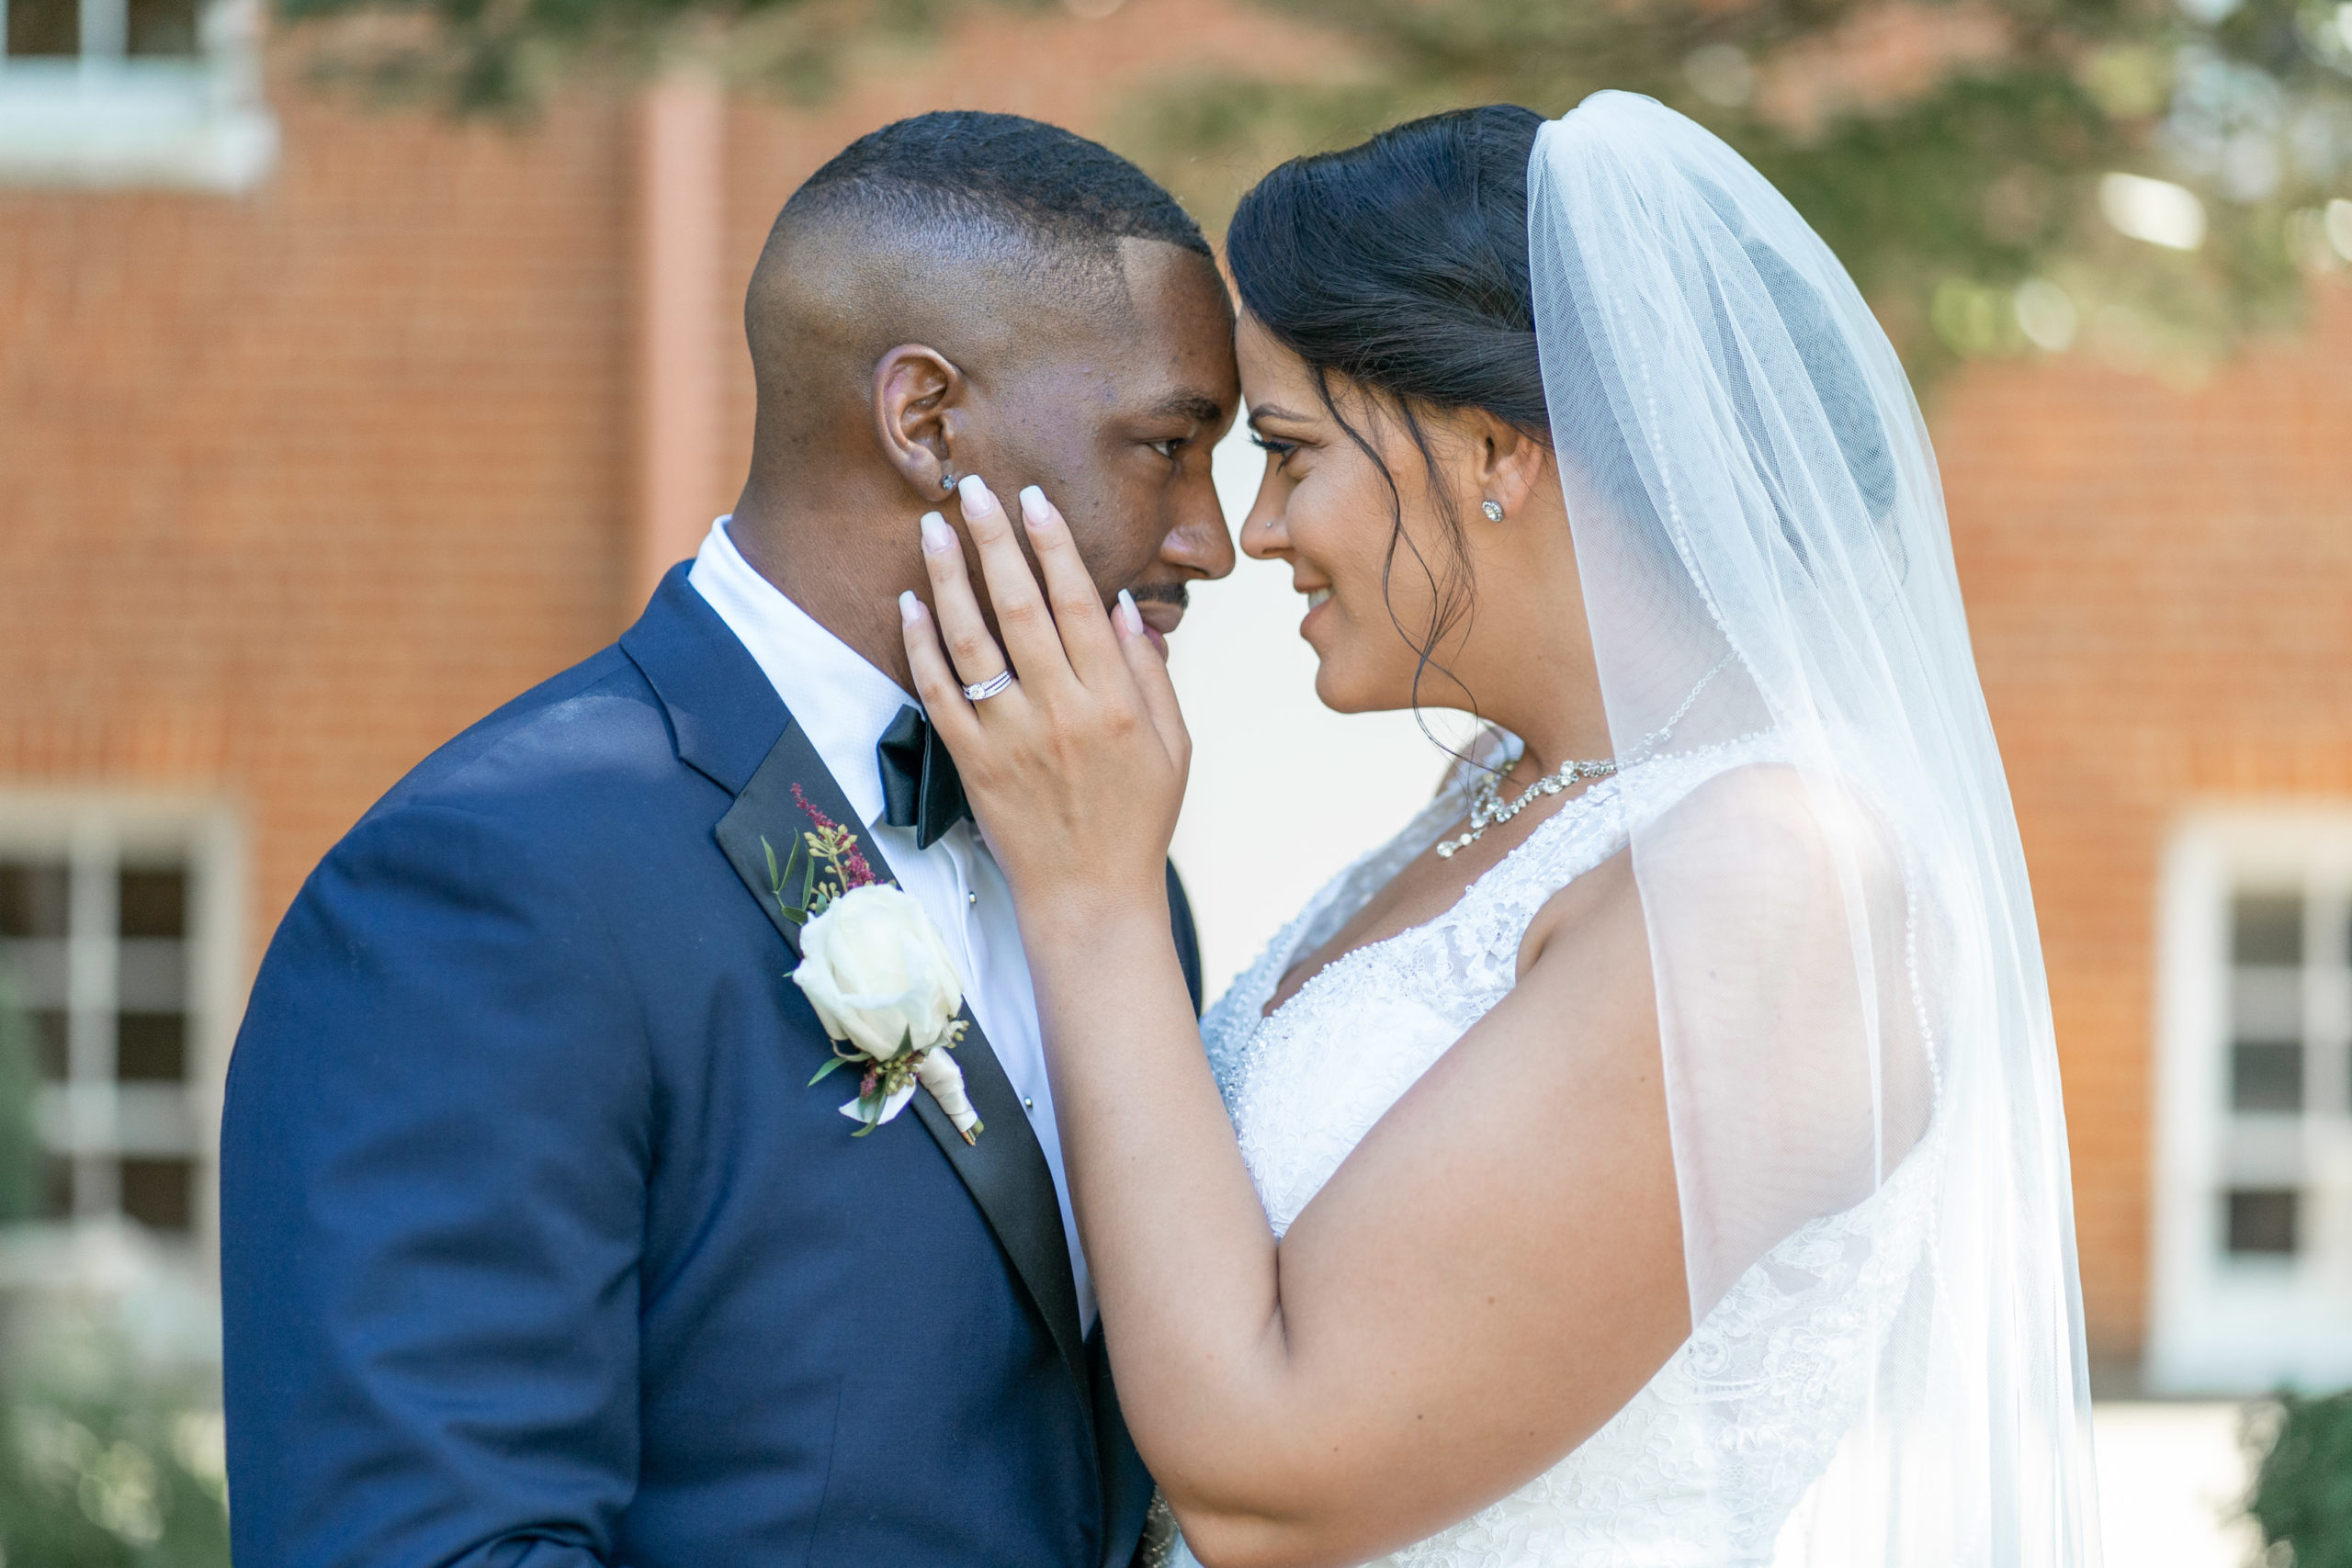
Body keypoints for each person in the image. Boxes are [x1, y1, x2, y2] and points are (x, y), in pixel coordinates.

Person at [899, 95, 2100, 1567]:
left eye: (1290, 452)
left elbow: (1272, 1479)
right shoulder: (1506, 792)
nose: (1257, 531)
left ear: (1493, 450)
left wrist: (1092, 898)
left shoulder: (1775, 879)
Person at [218, 110, 1238, 1568]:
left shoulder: (1120, 889)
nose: (1211, 538)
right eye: (1168, 447)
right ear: (925, 420)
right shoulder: (494, 885)